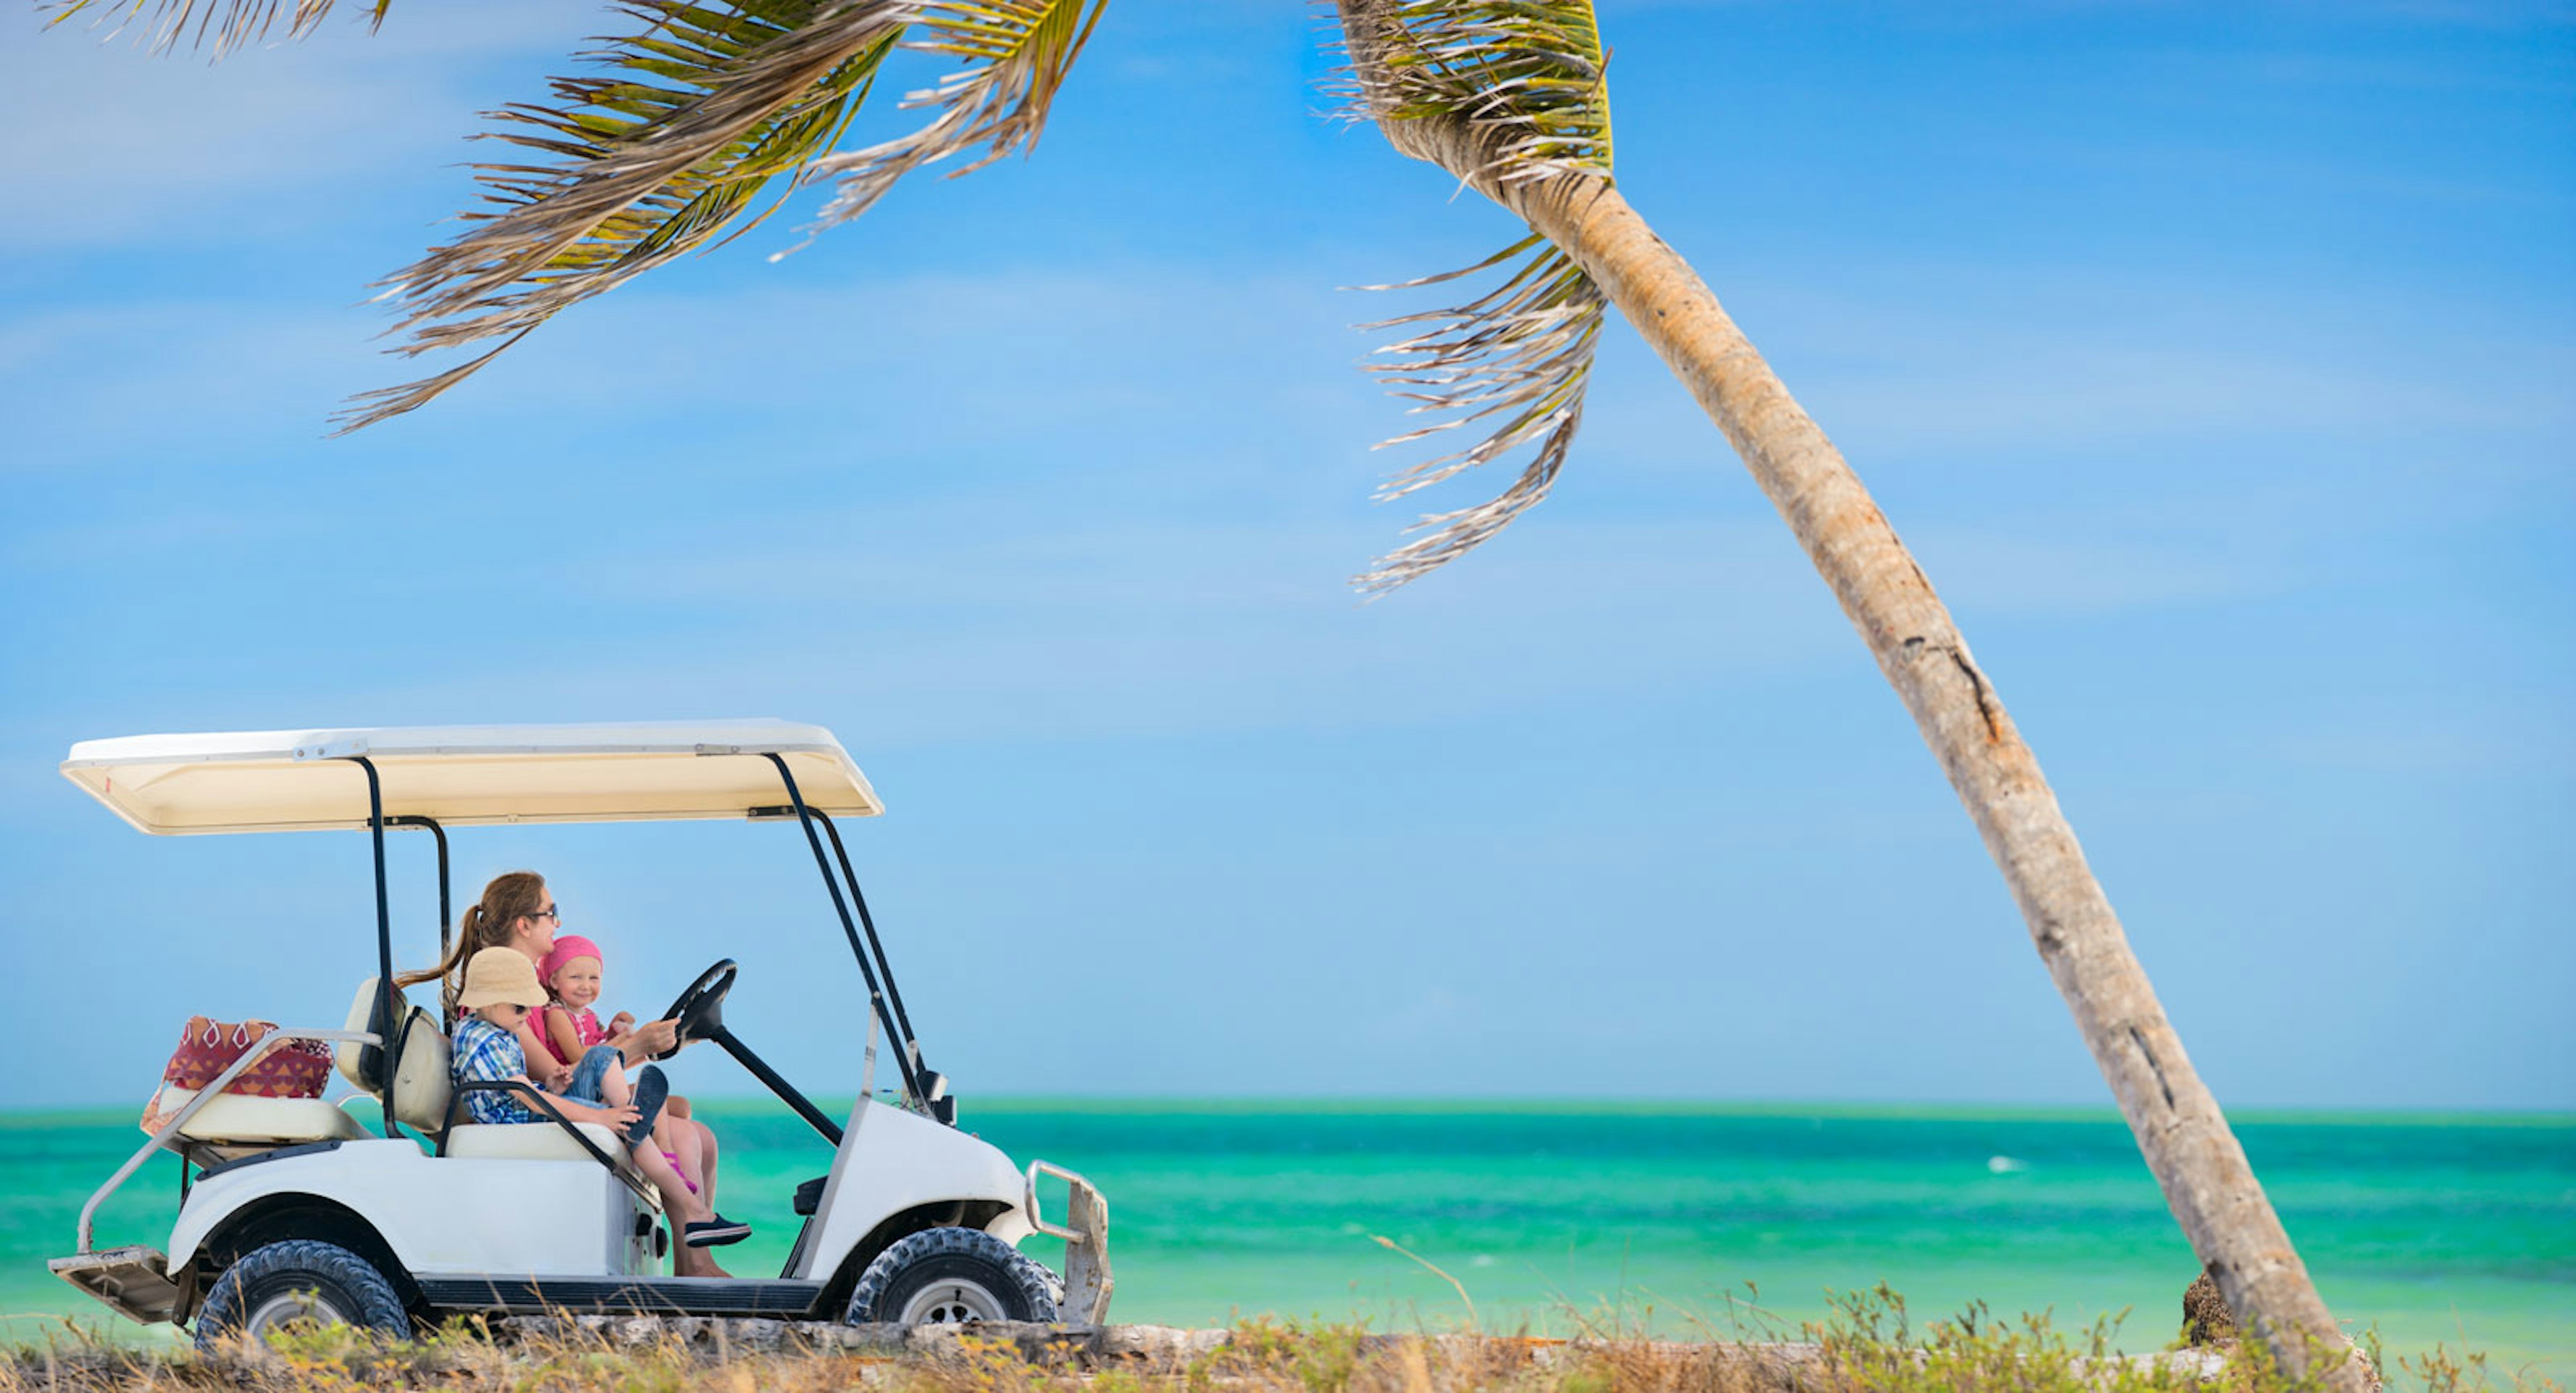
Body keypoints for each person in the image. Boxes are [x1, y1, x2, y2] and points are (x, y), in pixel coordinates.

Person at [398, 872, 733, 1265]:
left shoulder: (522, 995)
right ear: (525, 924)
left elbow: (569, 1066)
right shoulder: (502, 1006)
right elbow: (548, 1075)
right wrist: (638, 1046)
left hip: (558, 1094)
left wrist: (638, 1046)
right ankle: (696, 1263)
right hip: (537, 1109)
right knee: (682, 1133)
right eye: (551, 912)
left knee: (694, 1126)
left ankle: (696, 1256)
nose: (558, 922)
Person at [448, 947, 747, 1274]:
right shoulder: (482, 1039)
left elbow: (526, 1088)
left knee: (601, 1058)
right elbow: (526, 1098)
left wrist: (554, 1080)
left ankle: (630, 1114)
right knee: (630, 1124)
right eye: (521, 1007)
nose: (526, 1016)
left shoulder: (496, 1027)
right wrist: (600, 1118)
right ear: (489, 1002)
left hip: (532, 1101)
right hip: (520, 1116)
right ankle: (695, 1211)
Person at [538, 933, 706, 1194]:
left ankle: (669, 1162)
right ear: (554, 980)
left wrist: (613, 1034)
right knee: (655, 1099)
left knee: (681, 1107)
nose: (586, 985)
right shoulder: (557, 1015)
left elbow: (601, 1049)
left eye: (594, 978)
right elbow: (581, 1058)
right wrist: (632, 1042)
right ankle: (665, 1158)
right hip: (579, 1089)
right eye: (576, 977)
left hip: (600, 1085)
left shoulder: (590, 1016)